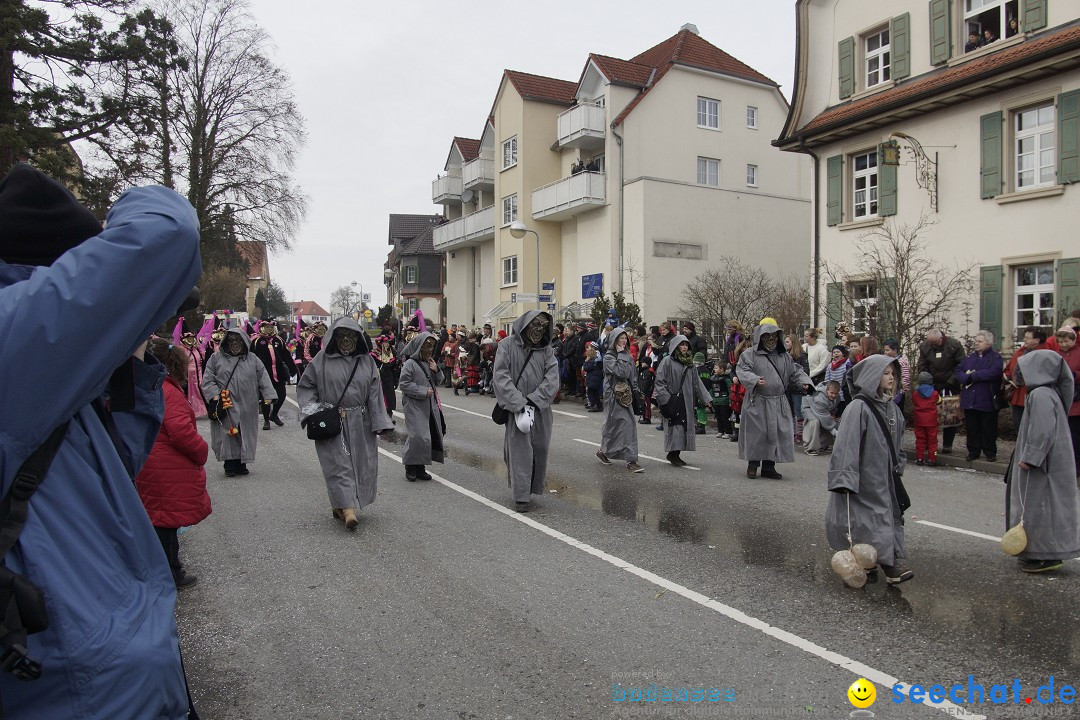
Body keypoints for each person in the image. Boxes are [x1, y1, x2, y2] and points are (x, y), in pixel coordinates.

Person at [0, 164, 201, 716]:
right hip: (74, 689)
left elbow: (112, 467)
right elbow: (169, 232)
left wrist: (130, 370)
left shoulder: (46, 385)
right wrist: (123, 207)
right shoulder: (14, 341)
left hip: (106, 681)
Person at [297, 318, 394, 529]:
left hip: (361, 422)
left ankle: (341, 504)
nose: (346, 341)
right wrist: (314, 412)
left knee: (361, 465)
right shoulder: (321, 361)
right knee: (339, 465)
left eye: (351, 336)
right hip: (333, 422)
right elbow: (306, 387)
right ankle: (348, 509)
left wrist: (379, 421)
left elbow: (375, 394)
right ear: (334, 337)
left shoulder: (366, 362)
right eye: (342, 336)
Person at [825, 355, 913, 585]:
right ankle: (888, 565)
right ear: (872, 376)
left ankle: (871, 560)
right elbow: (846, 446)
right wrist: (845, 478)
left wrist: (897, 468)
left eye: (893, 373)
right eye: (885, 373)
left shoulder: (892, 408)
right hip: (862, 478)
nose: (891, 378)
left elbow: (899, 443)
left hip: (885, 478)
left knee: (882, 518)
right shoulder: (858, 408)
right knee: (866, 521)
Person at [135, 338, 212, 590]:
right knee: (166, 525)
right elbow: (181, 432)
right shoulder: (169, 391)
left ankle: (165, 570)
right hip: (165, 468)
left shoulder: (149, 385)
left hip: (152, 463)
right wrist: (202, 450)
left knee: (159, 521)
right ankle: (170, 573)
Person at [1007, 349, 1080, 572]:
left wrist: (1031, 458)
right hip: (1050, 464)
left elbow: (1042, 430)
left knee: (1041, 506)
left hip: (1044, 467)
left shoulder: (1040, 395)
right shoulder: (1049, 393)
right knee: (1044, 506)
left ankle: (1044, 553)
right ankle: (1038, 550)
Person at [493, 310, 560, 512]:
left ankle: (531, 486)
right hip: (517, 409)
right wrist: (519, 402)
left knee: (540, 448)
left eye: (543, 325)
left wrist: (535, 400)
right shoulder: (506, 346)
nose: (538, 329)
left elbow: (552, 378)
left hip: (540, 409)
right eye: (535, 323)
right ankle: (521, 496)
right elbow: (501, 377)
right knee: (520, 451)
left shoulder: (547, 350)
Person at [737, 319, 812, 479]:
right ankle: (753, 465)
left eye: (773, 337)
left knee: (776, 434)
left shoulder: (783, 356)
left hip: (778, 400)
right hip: (758, 400)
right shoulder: (749, 354)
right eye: (767, 337)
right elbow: (743, 370)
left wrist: (804, 382)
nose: (771, 341)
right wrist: (754, 379)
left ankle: (769, 467)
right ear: (760, 338)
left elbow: (795, 372)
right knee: (757, 434)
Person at [202, 328, 275, 477]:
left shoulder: (253, 359)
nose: (235, 344)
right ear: (226, 342)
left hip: (248, 402)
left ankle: (242, 463)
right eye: (231, 341)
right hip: (226, 402)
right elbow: (208, 379)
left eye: (238, 341)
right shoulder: (216, 358)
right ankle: (229, 464)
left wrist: (268, 395)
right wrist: (215, 395)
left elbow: (263, 377)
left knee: (245, 431)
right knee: (227, 432)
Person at [655, 334, 713, 466]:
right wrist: (666, 399)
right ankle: (673, 453)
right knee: (675, 426)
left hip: (686, 400)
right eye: (682, 344)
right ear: (675, 346)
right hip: (673, 399)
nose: (684, 347)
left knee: (683, 426)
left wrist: (707, 399)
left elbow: (697, 383)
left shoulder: (689, 363)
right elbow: (660, 381)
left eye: (686, 345)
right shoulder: (667, 361)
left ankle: (676, 453)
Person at [399, 331, 446, 482]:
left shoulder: (430, 362)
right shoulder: (410, 364)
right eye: (427, 346)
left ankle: (420, 467)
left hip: (429, 405)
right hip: (414, 404)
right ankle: (410, 466)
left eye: (432, 347)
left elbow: (439, 381)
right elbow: (404, 384)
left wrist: (437, 370)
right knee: (417, 436)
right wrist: (422, 391)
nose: (430, 350)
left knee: (427, 436)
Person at [596, 327, 645, 473]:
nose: (623, 341)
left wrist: (637, 392)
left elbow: (632, 376)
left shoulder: (627, 356)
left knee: (627, 425)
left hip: (626, 396)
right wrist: (622, 354)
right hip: (613, 397)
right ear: (614, 341)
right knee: (614, 426)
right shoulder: (609, 357)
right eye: (620, 338)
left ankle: (629, 459)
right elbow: (621, 372)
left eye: (625, 338)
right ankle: (609, 452)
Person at [956, 330, 1003, 462]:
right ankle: (973, 451)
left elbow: (994, 372)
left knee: (988, 427)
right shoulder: (970, 358)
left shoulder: (995, 358)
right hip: (970, 399)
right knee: (972, 427)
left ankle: (990, 452)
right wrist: (966, 377)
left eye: (979, 341)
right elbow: (959, 371)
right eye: (976, 341)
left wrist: (973, 376)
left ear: (988, 343)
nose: (976, 343)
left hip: (987, 398)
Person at [917, 329, 966, 454]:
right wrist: (926, 381)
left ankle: (947, 444)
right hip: (932, 385)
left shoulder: (954, 345)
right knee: (930, 415)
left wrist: (951, 381)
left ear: (941, 339)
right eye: (930, 343)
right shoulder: (925, 346)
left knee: (950, 415)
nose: (932, 346)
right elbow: (922, 365)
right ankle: (928, 443)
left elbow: (961, 365)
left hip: (951, 384)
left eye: (935, 343)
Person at [1004, 326, 1048, 430]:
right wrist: (1008, 377)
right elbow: (1008, 368)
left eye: (1027, 338)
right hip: (1017, 397)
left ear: (1037, 340)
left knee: (1033, 430)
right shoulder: (1020, 352)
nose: (1024, 340)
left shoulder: (1045, 354)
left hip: (1034, 398)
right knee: (1018, 427)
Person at [252, 320, 291, 429]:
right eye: (267, 327)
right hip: (265, 374)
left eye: (271, 327)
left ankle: (274, 415)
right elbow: (251, 357)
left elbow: (286, 355)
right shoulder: (256, 341)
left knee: (282, 395)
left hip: (278, 374)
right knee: (266, 397)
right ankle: (266, 421)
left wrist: (293, 369)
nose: (269, 329)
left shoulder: (279, 340)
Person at [1054, 324, 1080, 472]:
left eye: (1067, 341)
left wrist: (1074, 375)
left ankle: (1076, 464)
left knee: (1075, 435)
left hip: (1076, 399)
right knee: (1063, 437)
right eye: (1061, 342)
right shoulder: (1056, 354)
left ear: (1073, 340)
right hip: (1061, 399)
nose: (1063, 344)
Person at [803, 380, 841, 456]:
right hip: (809, 407)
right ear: (827, 390)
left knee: (830, 422)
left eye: (836, 393)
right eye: (832, 393)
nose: (833, 395)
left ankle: (821, 445)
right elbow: (824, 417)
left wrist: (833, 417)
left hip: (822, 411)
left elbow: (833, 409)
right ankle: (810, 447)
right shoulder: (819, 399)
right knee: (816, 422)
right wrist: (834, 430)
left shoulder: (837, 398)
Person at [912, 371, 941, 466]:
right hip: (931, 420)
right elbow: (939, 401)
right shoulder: (935, 393)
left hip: (919, 420)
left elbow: (914, 401)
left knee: (920, 439)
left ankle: (919, 458)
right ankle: (932, 459)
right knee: (932, 441)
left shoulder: (916, 393)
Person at [787, 337, 810, 444]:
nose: (786, 344)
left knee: (798, 411)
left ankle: (800, 433)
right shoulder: (785, 356)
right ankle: (792, 432)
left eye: (788, 341)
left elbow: (805, 371)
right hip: (787, 388)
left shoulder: (802, 356)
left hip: (797, 388)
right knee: (789, 412)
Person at [882, 339, 909, 408]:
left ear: (895, 351)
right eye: (885, 350)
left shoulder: (900, 362)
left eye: (887, 350)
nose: (885, 352)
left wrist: (901, 391)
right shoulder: (891, 362)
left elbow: (905, 378)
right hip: (891, 392)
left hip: (898, 393)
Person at [711, 361, 733, 438]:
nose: (714, 369)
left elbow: (730, 390)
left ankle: (728, 431)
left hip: (724, 401)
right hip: (716, 401)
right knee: (718, 417)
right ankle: (720, 431)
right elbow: (711, 390)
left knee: (725, 417)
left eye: (716, 368)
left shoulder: (726, 379)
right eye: (714, 368)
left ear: (722, 369)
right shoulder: (713, 378)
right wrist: (710, 399)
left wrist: (730, 401)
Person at [583, 341, 604, 411]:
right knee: (595, 392)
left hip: (593, 378)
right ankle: (599, 405)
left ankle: (593, 405)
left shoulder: (592, 360)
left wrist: (586, 360)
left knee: (591, 393)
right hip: (596, 378)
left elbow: (586, 368)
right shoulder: (598, 359)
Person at [729, 372, 746, 443]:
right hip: (737, 389)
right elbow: (732, 371)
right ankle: (737, 433)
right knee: (737, 415)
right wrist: (733, 377)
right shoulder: (735, 363)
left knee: (744, 414)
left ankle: (745, 434)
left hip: (744, 387)